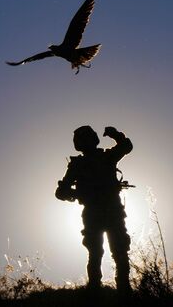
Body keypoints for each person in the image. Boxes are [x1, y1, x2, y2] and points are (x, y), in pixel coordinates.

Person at [55, 125, 133, 292]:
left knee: (115, 252)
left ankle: (119, 291)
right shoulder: (84, 163)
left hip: (108, 212)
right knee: (100, 253)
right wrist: (79, 194)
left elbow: (127, 146)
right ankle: (98, 290)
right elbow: (60, 192)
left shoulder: (104, 158)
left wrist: (116, 135)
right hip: (97, 213)